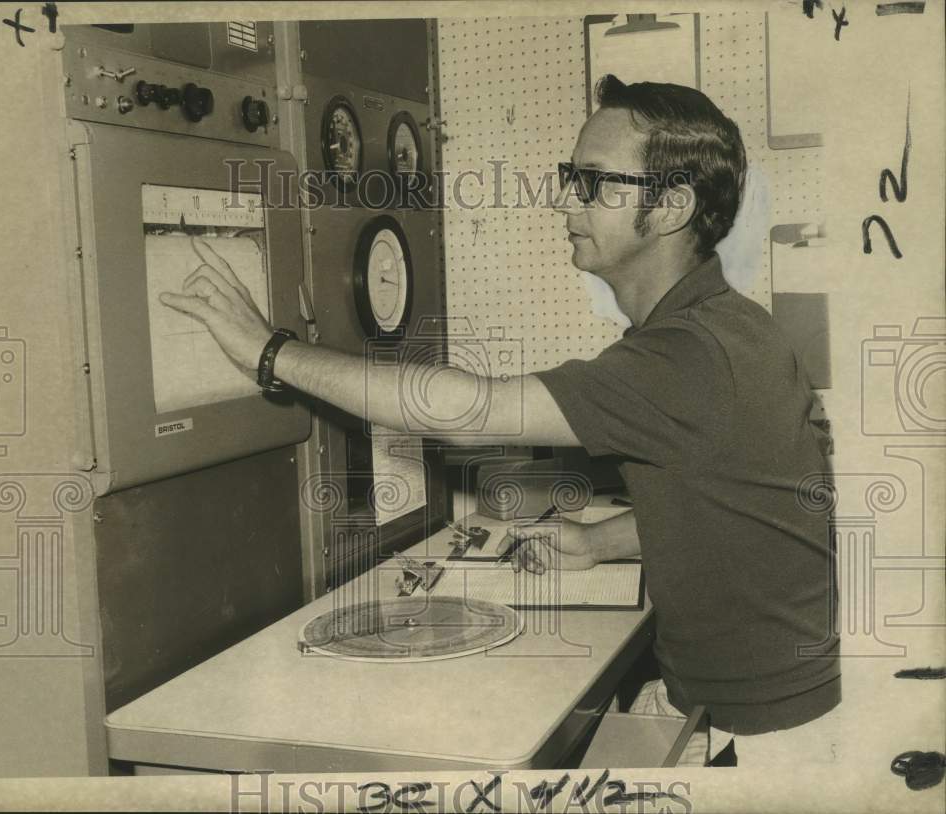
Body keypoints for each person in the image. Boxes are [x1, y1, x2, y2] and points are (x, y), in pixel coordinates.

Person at [161, 74, 840, 766]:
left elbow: (464, 411)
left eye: (595, 182)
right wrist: (601, 542)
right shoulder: (728, 328)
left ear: (671, 206)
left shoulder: (687, 355)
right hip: (738, 703)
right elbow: (742, 506)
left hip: (759, 737)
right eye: (571, 177)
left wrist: (270, 351)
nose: (567, 201)